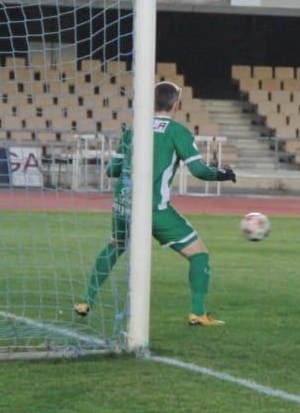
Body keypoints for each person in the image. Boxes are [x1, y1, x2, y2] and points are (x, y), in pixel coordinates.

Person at [74, 82, 236, 327]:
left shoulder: (132, 130)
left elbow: (112, 170)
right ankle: (198, 313)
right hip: (153, 209)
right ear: (177, 104)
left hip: (122, 205)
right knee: (199, 255)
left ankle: (86, 301)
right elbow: (200, 171)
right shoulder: (177, 131)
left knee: (115, 246)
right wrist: (222, 174)